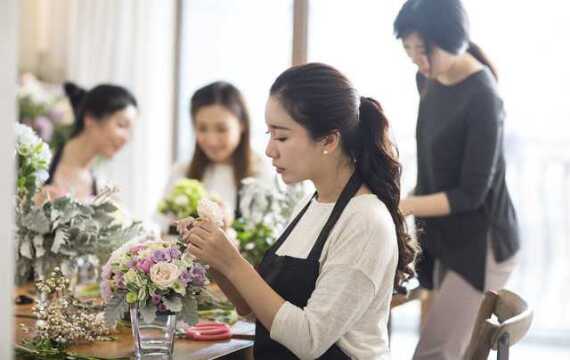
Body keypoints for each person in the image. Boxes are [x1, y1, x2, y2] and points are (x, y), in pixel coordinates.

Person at [181, 63, 419, 359]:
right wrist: (214, 255)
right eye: (269, 134)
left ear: (329, 140)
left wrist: (232, 261)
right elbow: (253, 310)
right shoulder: (311, 204)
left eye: (281, 137)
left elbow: (308, 340)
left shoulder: (365, 220)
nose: (269, 150)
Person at [394, 0, 520, 358]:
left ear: (452, 40)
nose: (417, 59)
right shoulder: (428, 79)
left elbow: (470, 194)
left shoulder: (483, 96)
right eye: (408, 48)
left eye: (424, 49)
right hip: (447, 235)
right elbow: (435, 168)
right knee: (442, 344)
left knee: (433, 351)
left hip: (483, 243)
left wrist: (403, 205)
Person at [161, 81, 274, 224]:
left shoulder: (259, 174)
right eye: (202, 128)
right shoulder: (182, 172)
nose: (212, 140)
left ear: (242, 125)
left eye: (222, 129)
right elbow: (163, 228)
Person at [42, 82, 137, 202]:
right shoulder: (38, 166)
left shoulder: (104, 193)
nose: (126, 138)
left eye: (131, 131)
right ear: (90, 118)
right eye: (122, 125)